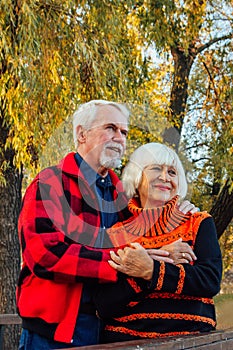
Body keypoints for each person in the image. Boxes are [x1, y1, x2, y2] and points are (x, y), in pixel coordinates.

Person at [17, 100, 198, 349]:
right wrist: (119, 264)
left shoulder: (120, 195)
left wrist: (181, 210)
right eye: (110, 128)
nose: (119, 138)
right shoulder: (50, 183)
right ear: (81, 133)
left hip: (107, 327)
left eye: (124, 132)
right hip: (53, 331)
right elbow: (43, 255)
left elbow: (142, 241)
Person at [94, 142, 222, 343]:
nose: (165, 177)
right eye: (156, 169)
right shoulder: (116, 233)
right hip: (126, 343)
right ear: (137, 177)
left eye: (172, 172)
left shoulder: (198, 222)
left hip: (190, 342)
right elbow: (104, 305)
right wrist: (145, 273)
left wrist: (152, 270)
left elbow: (209, 280)